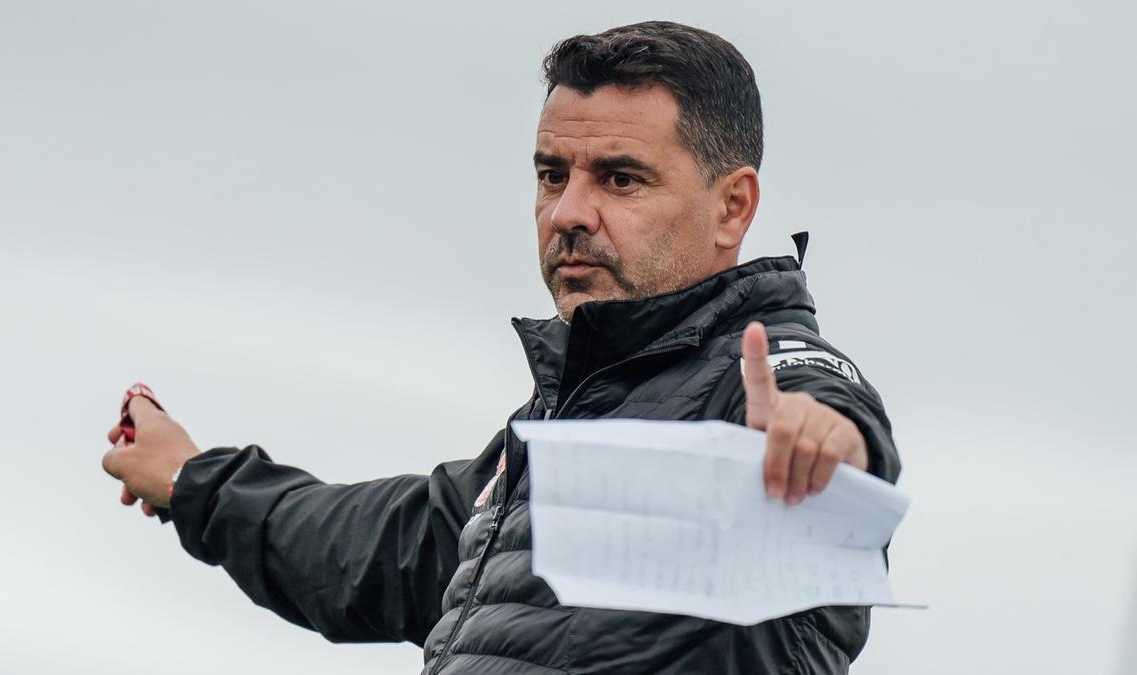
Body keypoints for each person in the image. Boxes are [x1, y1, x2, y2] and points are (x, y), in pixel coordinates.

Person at [101, 20, 900, 674]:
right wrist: (188, 477)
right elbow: (358, 542)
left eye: (620, 179)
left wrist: (823, 450)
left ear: (733, 207)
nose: (568, 213)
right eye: (553, 175)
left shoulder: (754, 382)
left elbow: (826, 418)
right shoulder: (538, 451)